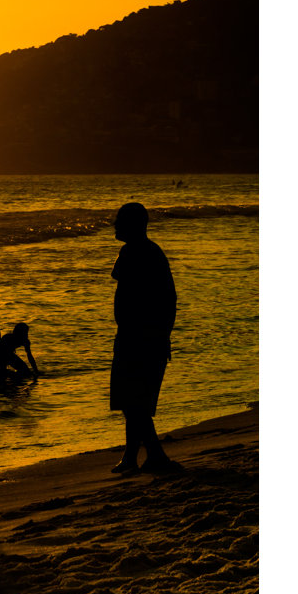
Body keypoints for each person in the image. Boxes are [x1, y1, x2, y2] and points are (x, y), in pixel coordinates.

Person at [108, 202, 182, 476]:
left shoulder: (137, 252)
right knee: (133, 401)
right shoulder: (145, 252)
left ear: (133, 225)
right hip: (141, 336)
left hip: (140, 338)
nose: (115, 225)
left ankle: (153, 455)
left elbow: (165, 299)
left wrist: (158, 334)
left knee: (134, 401)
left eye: (119, 221)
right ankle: (136, 456)